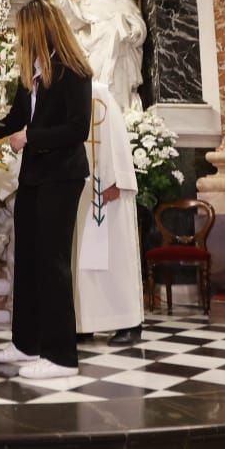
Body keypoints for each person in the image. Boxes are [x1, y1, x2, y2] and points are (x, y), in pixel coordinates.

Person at [0, 0, 93, 380]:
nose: (19, 39)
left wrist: (30, 137)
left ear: (38, 29)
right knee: (29, 262)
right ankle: (26, 344)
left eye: (23, 31)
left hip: (62, 176)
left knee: (53, 265)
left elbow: (77, 128)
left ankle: (61, 357)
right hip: (34, 176)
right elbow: (15, 119)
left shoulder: (74, 71)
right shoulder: (31, 73)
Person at [73, 80, 144, 346]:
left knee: (115, 258)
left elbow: (115, 137)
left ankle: (128, 322)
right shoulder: (69, 93)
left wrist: (118, 179)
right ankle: (86, 323)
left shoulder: (98, 92)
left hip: (107, 188)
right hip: (81, 189)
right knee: (84, 261)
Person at [55, 0, 147, 110]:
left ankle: (121, 115)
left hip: (117, 43)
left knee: (115, 82)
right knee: (95, 79)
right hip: (96, 41)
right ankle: (98, 115)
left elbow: (133, 14)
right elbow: (76, 16)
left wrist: (136, 27)